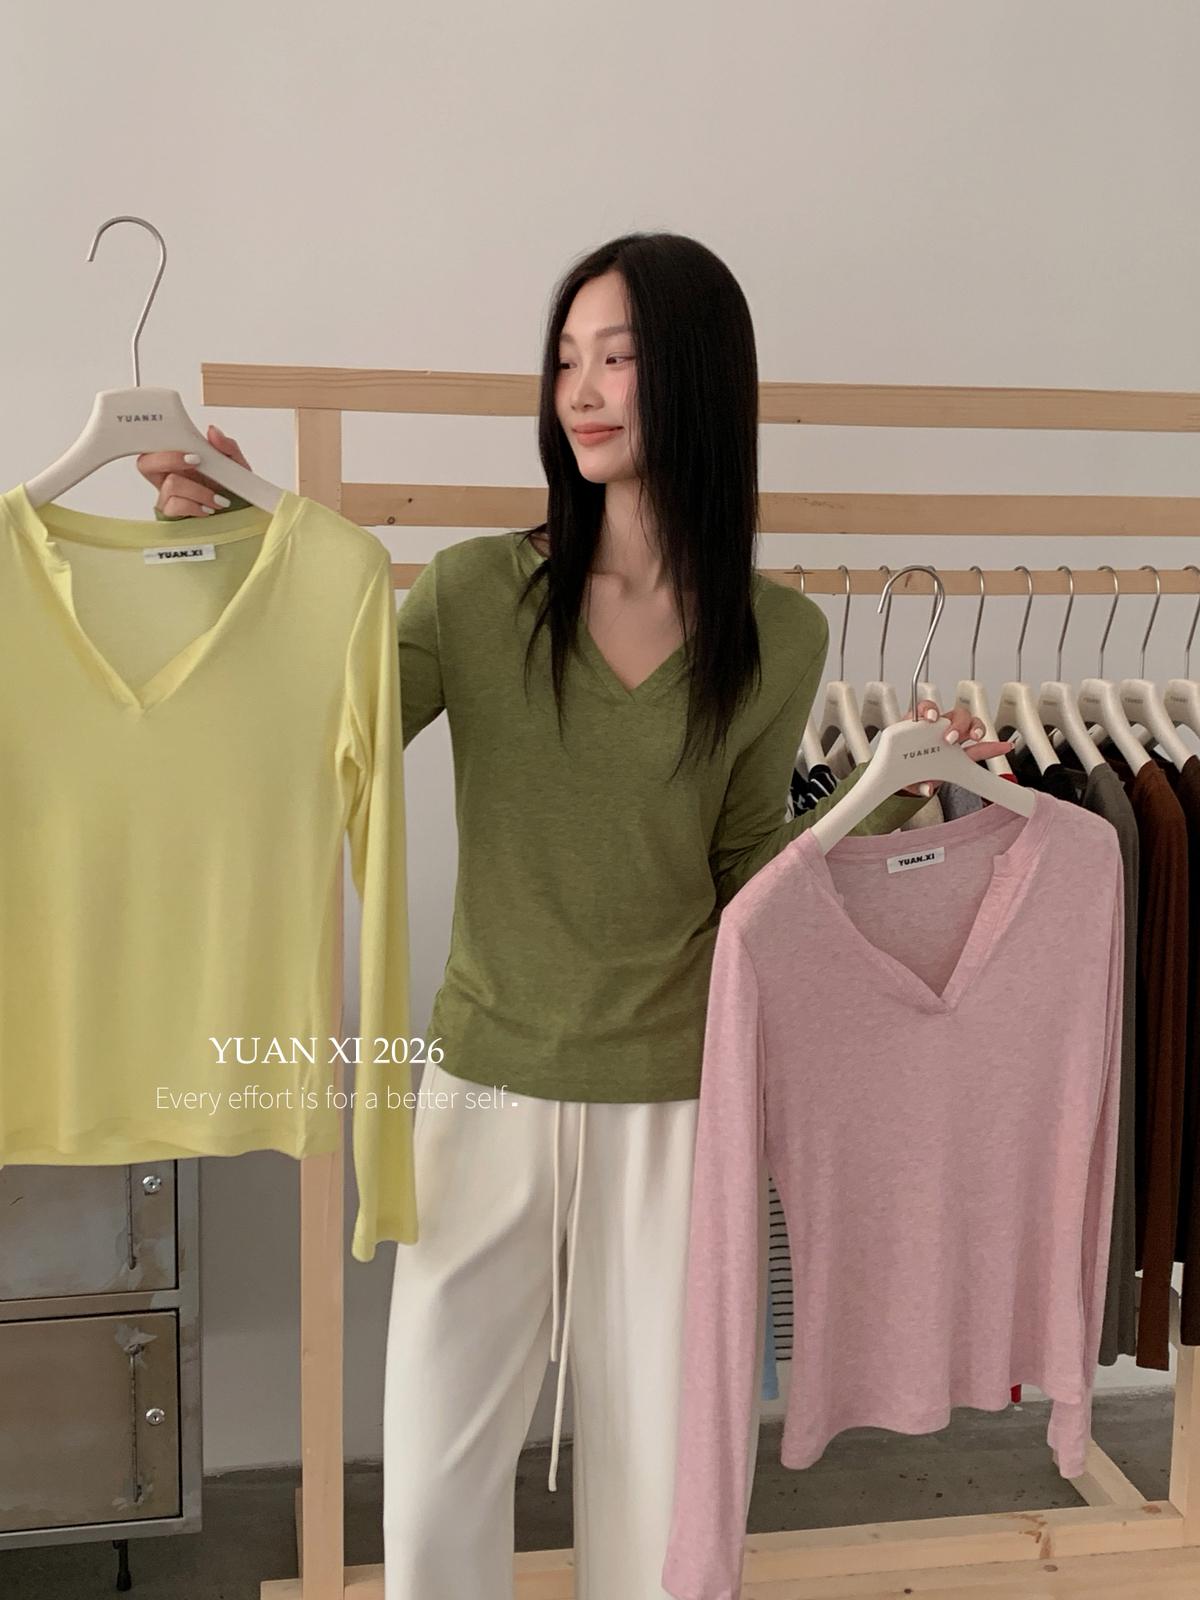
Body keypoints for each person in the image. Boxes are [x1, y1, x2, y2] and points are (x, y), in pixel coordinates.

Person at [138, 231, 1009, 1600]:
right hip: (485, 1085)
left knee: (662, 1475)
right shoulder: (477, 594)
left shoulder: (777, 635)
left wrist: (896, 803)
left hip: (679, 1100)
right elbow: (313, 742)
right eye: (564, 362)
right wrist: (214, 553)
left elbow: (746, 870)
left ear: (701, 377)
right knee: (434, 1479)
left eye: (618, 357)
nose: (583, 392)